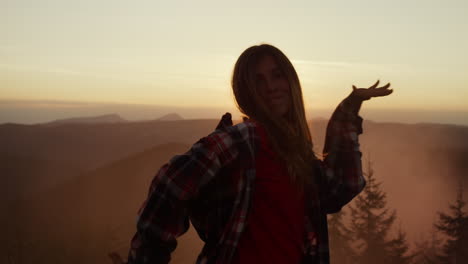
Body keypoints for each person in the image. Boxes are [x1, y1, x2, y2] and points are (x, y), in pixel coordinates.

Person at [109, 44, 393, 264]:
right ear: (246, 91)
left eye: (276, 75)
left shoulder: (295, 154)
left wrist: (348, 110)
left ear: (291, 81)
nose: (269, 86)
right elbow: (169, 185)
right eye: (258, 81)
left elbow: (339, 188)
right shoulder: (241, 140)